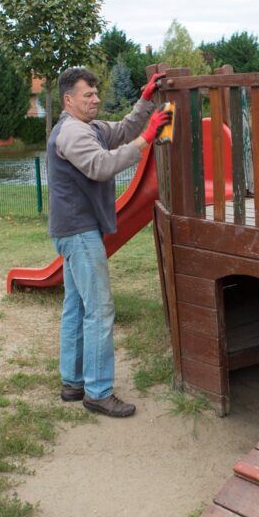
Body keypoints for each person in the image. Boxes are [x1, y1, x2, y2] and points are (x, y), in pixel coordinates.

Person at [48, 67, 170, 417]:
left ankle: (73, 382)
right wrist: (147, 139)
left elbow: (124, 129)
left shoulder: (91, 128)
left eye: (96, 92)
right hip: (79, 233)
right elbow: (101, 166)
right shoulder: (71, 133)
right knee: (99, 310)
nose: (96, 98)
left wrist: (145, 100)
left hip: (72, 231)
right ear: (69, 100)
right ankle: (98, 392)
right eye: (88, 94)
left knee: (76, 306)